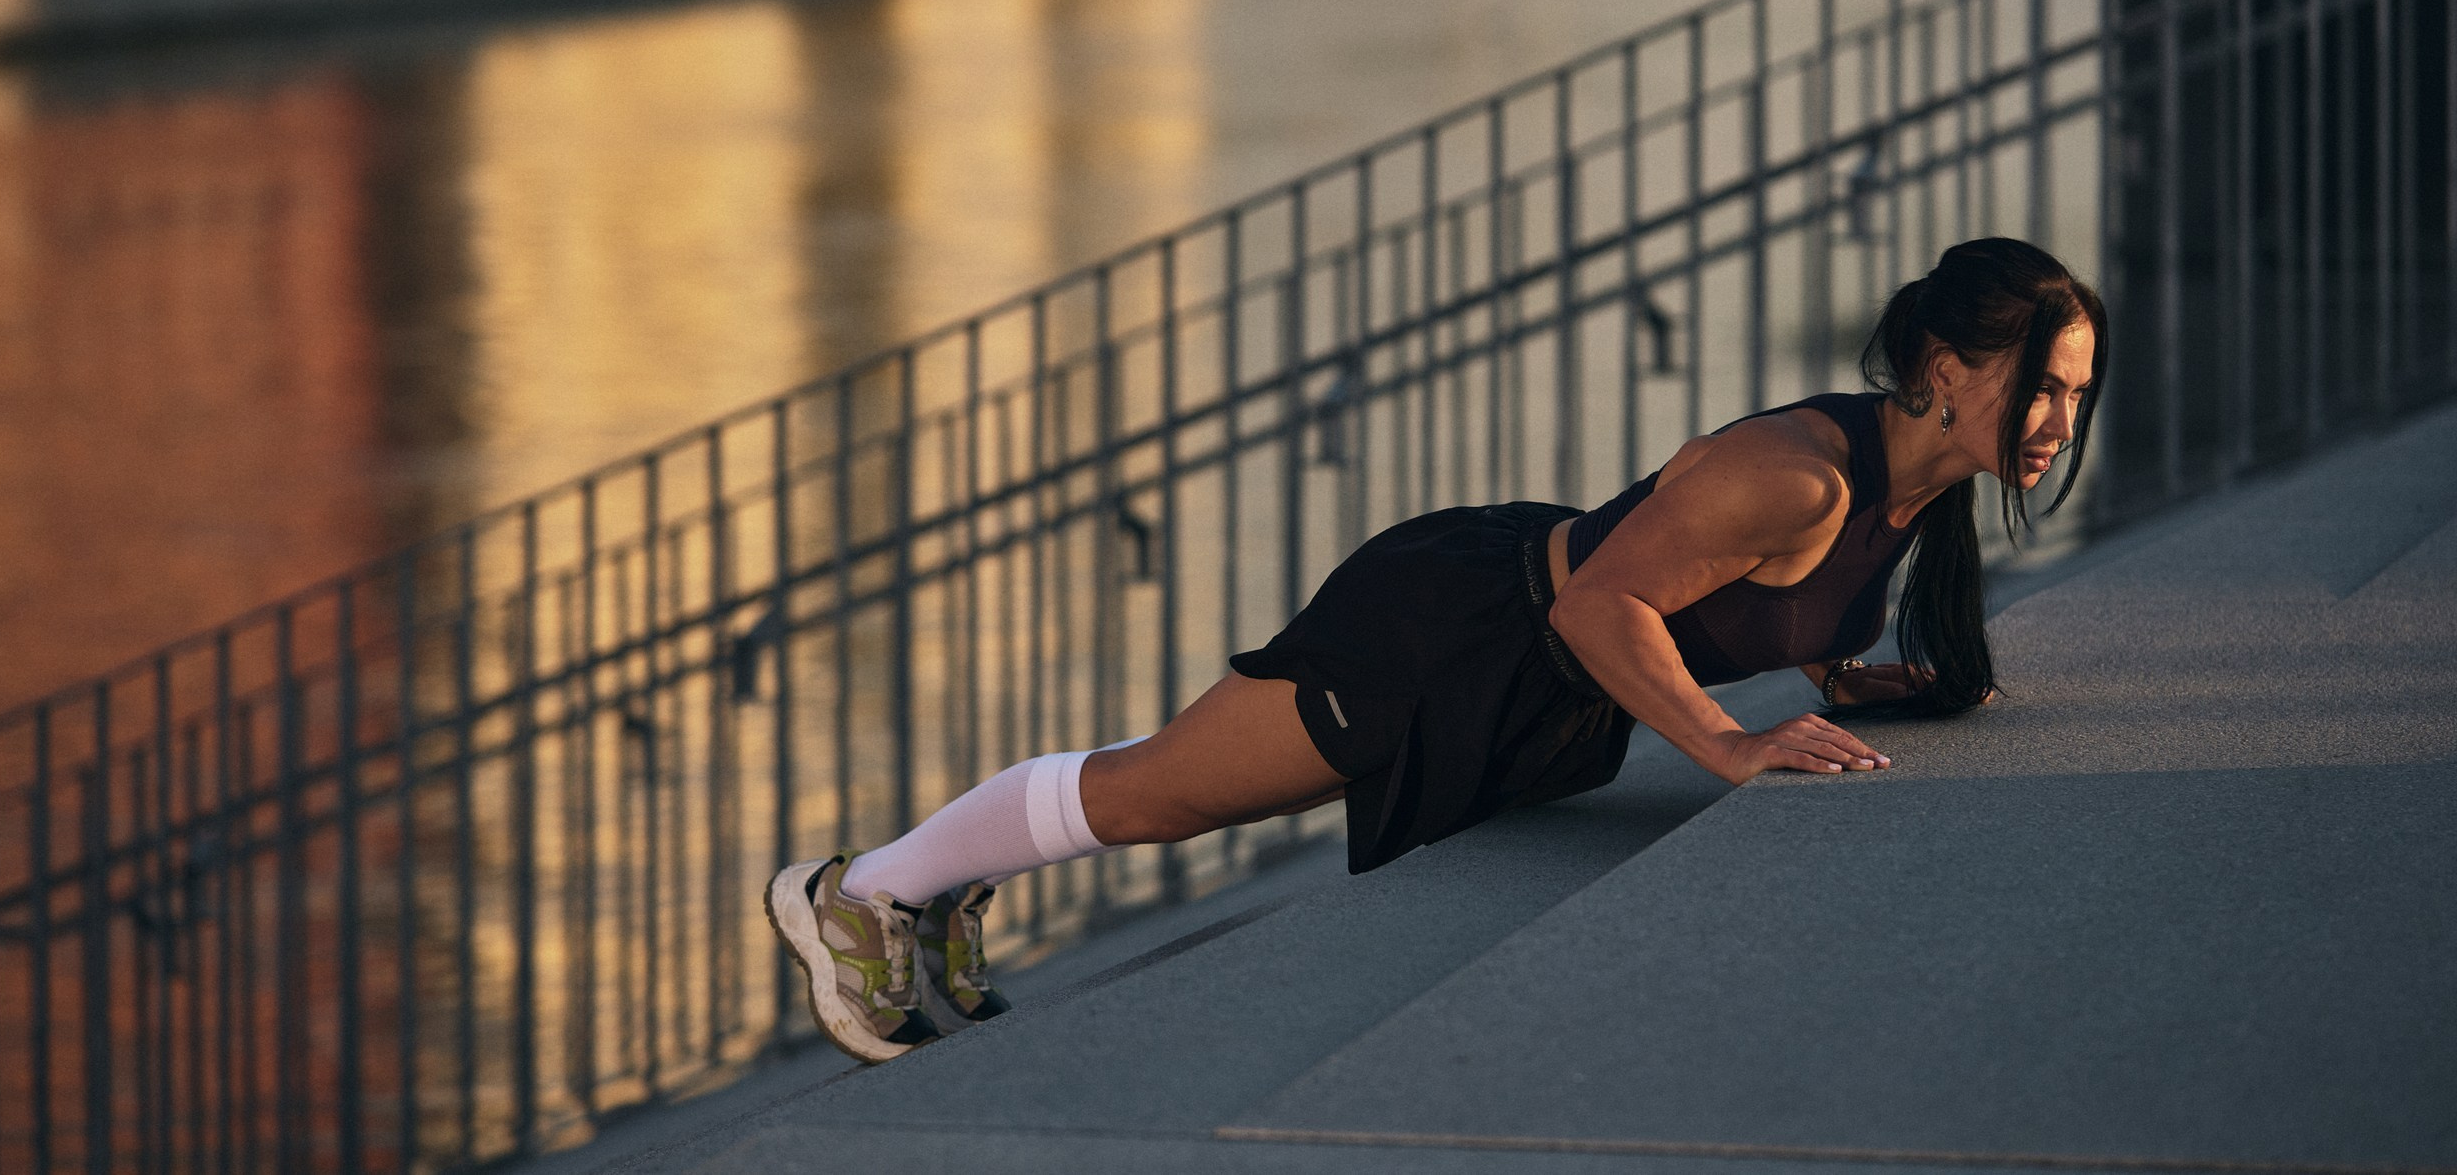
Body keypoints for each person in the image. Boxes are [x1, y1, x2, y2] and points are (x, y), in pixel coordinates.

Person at [765, 237, 2106, 1062]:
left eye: (2074, 394)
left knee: (1164, 791)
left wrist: (1832, 670)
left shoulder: (1907, 487)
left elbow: (1761, 591)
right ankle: (862, 894)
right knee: (1157, 794)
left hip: (1524, 680)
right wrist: (1732, 747)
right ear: (1940, 360)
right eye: (2036, 382)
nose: (2055, 418)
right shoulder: (1803, 475)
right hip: (1457, 636)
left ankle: (920, 895)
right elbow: (1602, 610)